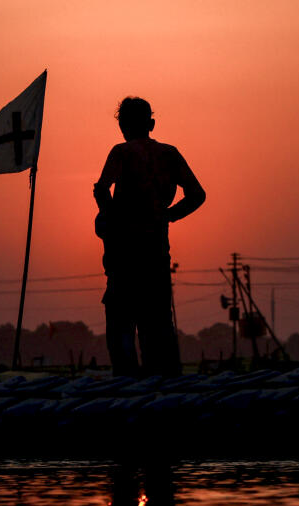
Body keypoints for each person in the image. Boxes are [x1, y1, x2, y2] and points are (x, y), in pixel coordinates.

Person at [94, 97, 205, 377]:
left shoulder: (121, 152)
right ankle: (162, 386)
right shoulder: (170, 154)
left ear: (123, 126)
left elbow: (102, 189)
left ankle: (129, 389)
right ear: (151, 124)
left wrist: (110, 218)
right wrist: (167, 215)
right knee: (157, 325)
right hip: (156, 249)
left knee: (121, 325)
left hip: (126, 253)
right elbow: (196, 195)